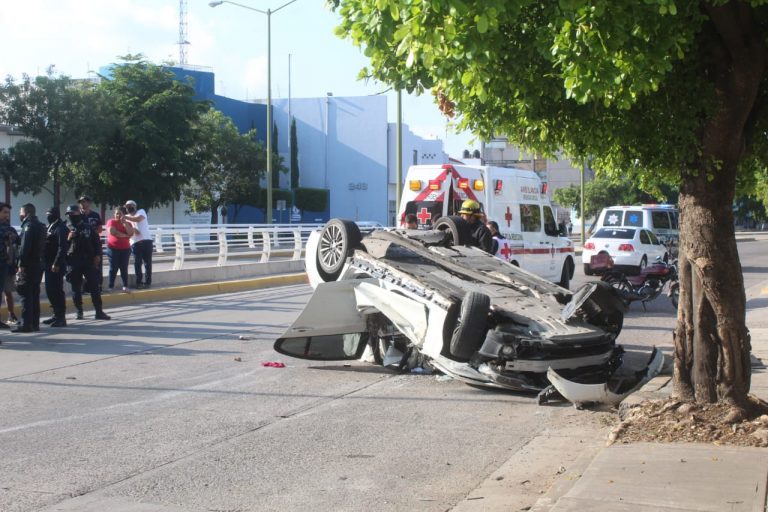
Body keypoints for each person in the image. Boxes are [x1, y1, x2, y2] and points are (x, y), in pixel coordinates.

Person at [65, 204, 110, 321]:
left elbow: (96, 242)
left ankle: (99, 311)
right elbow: (61, 247)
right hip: (73, 261)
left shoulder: (87, 227)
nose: (71, 216)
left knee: (94, 286)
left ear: (78, 214)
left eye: (73, 214)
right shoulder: (66, 227)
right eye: (69, 214)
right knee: (76, 287)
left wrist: (97, 255)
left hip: (88, 260)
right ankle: (79, 311)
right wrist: (68, 238)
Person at [13, 203, 45, 333]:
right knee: (34, 294)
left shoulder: (28, 226)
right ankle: (34, 323)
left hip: (29, 265)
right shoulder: (41, 225)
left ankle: (26, 324)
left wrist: (21, 264)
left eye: (21, 212)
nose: (19, 215)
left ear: (26, 213)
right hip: (38, 264)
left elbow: (25, 247)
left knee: (25, 294)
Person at [43, 207, 70, 327]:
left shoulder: (60, 228)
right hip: (48, 263)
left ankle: (61, 317)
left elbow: (62, 247)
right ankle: (55, 314)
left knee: (56, 291)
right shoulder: (51, 226)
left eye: (50, 214)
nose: (48, 216)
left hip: (56, 265)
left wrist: (56, 263)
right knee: (50, 290)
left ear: (56, 215)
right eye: (47, 214)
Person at [124, 200, 152, 289]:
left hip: (146, 240)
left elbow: (138, 219)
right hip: (135, 242)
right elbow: (131, 231)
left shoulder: (141, 211)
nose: (128, 208)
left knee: (147, 263)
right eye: (127, 207)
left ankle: (148, 282)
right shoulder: (126, 217)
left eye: (130, 206)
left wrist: (125, 218)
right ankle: (138, 282)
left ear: (135, 206)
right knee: (137, 263)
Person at [106, 206, 134, 292]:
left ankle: (125, 286)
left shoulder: (128, 223)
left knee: (124, 268)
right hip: (113, 249)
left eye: (120, 214)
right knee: (113, 268)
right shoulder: (111, 222)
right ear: (114, 214)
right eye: (117, 213)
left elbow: (131, 233)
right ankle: (111, 286)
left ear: (124, 215)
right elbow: (113, 232)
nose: (118, 215)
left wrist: (125, 223)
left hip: (125, 249)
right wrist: (125, 235)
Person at [0, 203, 18, 327]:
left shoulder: (8, 227)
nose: (7, 215)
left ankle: (11, 314)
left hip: (5, 264)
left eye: (8, 212)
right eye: (5, 212)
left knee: (7, 291)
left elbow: (17, 241)